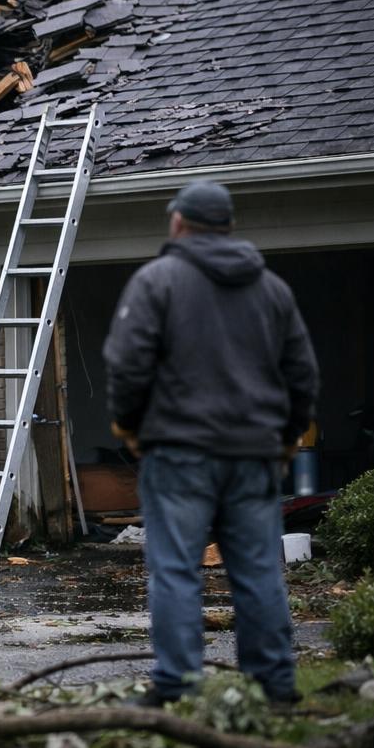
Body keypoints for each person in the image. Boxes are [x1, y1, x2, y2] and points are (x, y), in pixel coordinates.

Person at [103, 179, 318, 707]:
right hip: (253, 456)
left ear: (178, 222)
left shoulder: (158, 282)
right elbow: (302, 376)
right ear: (230, 227)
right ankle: (276, 686)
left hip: (178, 454)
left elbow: (126, 365)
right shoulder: (272, 291)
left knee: (176, 569)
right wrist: (287, 439)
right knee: (258, 570)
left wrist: (130, 427)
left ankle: (176, 686)